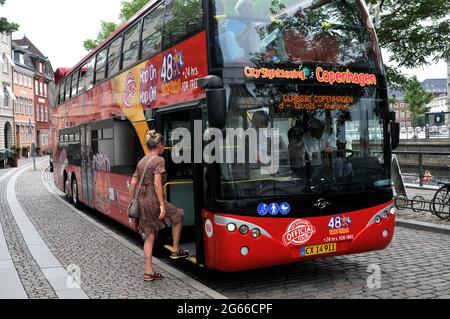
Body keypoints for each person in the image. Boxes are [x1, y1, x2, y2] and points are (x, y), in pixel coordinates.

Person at [129, 131, 189, 282]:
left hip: (141, 199)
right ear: (159, 145)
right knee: (178, 215)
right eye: (164, 144)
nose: (164, 147)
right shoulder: (159, 160)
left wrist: (131, 201)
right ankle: (175, 249)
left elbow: (133, 182)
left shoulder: (142, 161)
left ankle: (148, 271)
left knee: (149, 236)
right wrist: (162, 205)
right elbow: (157, 183)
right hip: (152, 198)